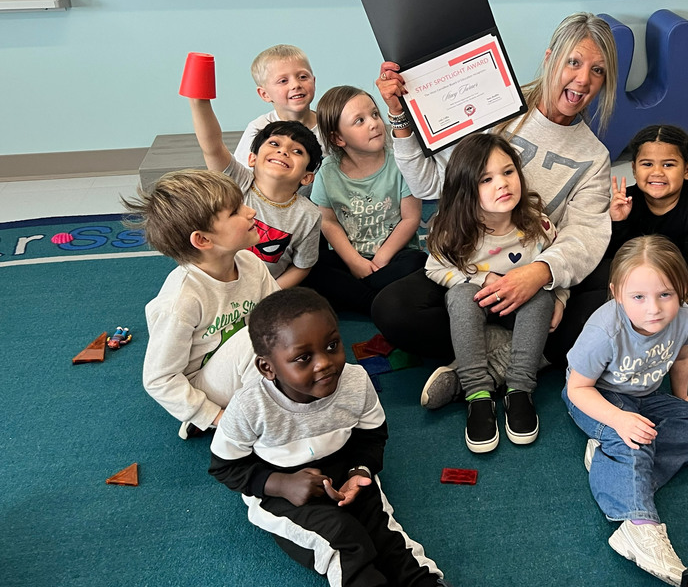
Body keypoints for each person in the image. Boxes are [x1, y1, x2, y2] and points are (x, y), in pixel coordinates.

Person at [371, 12, 619, 403]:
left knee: (607, 296)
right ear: (550, 57)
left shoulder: (594, 156)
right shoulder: (498, 105)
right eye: (574, 62)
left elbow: (585, 236)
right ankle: (517, 353)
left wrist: (539, 276)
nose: (583, 80)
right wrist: (399, 114)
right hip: (474, 267)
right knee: (392, 308)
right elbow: (432, 183)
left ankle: (481, 361)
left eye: (598, 71)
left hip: (536, 278)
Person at [209, 288, 449, 587]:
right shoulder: (249, 406)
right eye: (303, 357)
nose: (324, 363)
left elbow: (372, 437)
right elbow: (224, 466)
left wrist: (360, 470)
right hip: (280, 491)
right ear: (267, 368)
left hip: (343, 472)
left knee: (383, 534)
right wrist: (282, 484)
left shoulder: (356, 382)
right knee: (342, 539)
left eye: (332, 345)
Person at [562, 235, 688, 585]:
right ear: (617, 294)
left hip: (645, 396)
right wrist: (617, 419)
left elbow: (682, 355)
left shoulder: (684, 320)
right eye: (638, 297)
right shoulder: (604, 330)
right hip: (597, 396)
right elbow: (577, 388)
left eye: (666, 295)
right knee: (636, 440)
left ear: (683, 290)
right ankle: (639, 524)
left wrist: (683, 398)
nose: (654, 309)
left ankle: (613, 466)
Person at [425, 134, 567, 453]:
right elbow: (433, 269)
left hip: (525, 312)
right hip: (480, 305)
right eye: (486, 179)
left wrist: (561, 298)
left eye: (508, 172)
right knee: (459, 297)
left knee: (544, 294)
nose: (502, 184)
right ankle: (477, 395)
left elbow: (558, 266)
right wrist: (482, 279)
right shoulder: (455, 229)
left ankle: (519, 389)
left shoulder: (537, 224)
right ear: (465, 189)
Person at [123, 169, 279, 438]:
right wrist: (216, 417)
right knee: (255, 341)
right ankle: (262, 424)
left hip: (245, 368)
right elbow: (160, 380)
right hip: (205, 383)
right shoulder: (182, 300)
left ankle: (281, 403)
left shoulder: (250, 263)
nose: (250, 212)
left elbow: (280, 314)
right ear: (203, 240)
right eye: (234, 212)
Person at [303, 86, 426, 315]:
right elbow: (327, 222)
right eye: (359, 120)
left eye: (375, 114)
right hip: (350, 258)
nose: (373, 123)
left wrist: (382, 256)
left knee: (419, 263)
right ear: (338, 138)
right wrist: (354, 262)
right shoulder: (327, 172)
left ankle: (360, 300)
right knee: (311, 267)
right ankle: (377, 303)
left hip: (393, 257)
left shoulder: (400, 163)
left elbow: (411, 218)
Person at [604, 124, 688, 322]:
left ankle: (643, 315)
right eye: (647, 164)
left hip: (675, 277)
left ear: (687, 170)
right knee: (593, 273)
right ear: (634, 169)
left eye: (668, 165)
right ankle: (643, 314)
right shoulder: (626, 201)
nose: (657, 172)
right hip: (632, 276)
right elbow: (612, 253)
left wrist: (657, 282)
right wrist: (618, 221)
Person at [190, 96, 323, 289]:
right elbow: (212, 147)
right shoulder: (237, 182)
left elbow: (301, 266)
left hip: (262, 290)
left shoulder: (308, 215)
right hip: (211, 284)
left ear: (307, 178)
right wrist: (199, 102)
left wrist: (268, 294)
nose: (283, 151)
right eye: (275, 144)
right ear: (252, 158)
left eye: (297, 151)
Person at [233, 44, 327, 168]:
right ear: (265, 94)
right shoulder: (258, 129)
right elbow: (240, 176)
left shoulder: (329, 126)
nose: (296, 85)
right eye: (283, 81)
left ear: (314, 82)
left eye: (303, 77)